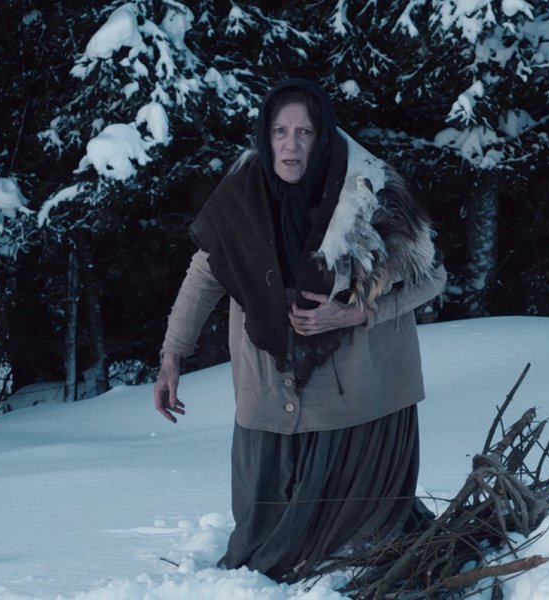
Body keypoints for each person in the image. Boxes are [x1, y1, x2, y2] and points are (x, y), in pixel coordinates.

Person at [153, 78, 447, 581]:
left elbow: (432, 275)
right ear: (265, 137)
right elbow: (205, 271)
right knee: (262, 537)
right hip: (268, 371)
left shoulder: (369, 190)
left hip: (359, 385)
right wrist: (171, 356)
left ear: (323, 136)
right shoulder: (242, 194)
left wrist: (356, 313)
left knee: (350, 542)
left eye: (304, 132)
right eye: (280, 131)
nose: (291, 145)